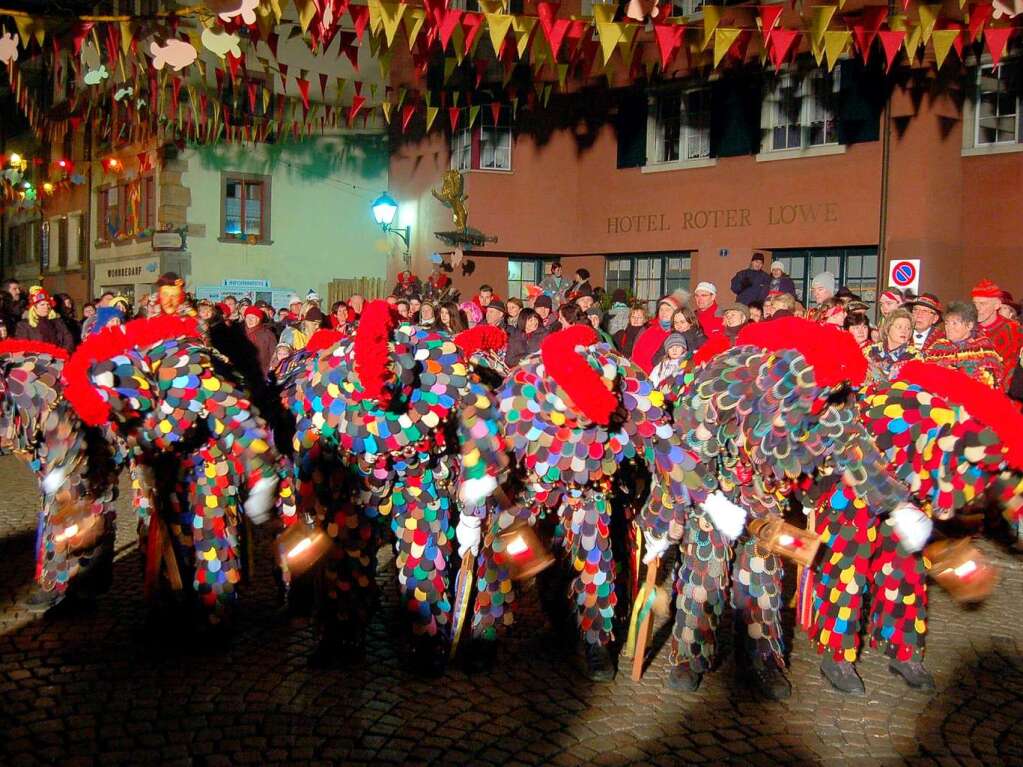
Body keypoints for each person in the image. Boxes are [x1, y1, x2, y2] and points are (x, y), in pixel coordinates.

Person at [924, 301, 1004, 387]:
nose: (949, 328)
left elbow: (990, 385)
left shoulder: (984, 350)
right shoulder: (938, 346)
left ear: (969, 325)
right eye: (947, 323)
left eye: (954, 323)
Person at [972, 279, 1023, 391]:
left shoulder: (1015, 330)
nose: (977, 308)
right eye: (975, 303)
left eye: (983, 304)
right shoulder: (968, 329)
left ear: (997, 305)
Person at [865, 308, 919, 386]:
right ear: (888, 328)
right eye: (899, 327)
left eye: (908, 328)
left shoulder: (915, 356)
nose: (904, 331)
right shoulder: (869, 351)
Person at [632, 295, 683, 373]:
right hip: (642, 373)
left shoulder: (679, 332)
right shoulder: (650, 329)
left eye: (667, 310)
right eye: (661, 310)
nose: (663, 313)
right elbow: (637, 353)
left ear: (675, 312)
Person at [15, 287, 75, 351]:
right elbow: (23, 346)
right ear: (34, 308)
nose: (46, 307)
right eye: (42, 305)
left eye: (48, 304)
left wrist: (62, 354)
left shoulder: (58, 322)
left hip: (60, 358)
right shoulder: (23, 325)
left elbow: (68, 340)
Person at [244, 306, 277, 375]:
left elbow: (274, 356)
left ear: (259, 319)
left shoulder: (268, 334)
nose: (249, 320)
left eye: (252, 317)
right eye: (247, 317)